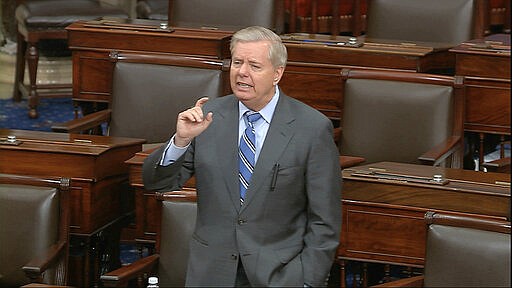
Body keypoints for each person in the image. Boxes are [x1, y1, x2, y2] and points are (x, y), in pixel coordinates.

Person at [143, 25, 341, 287]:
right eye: (237, 62)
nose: (242, 73)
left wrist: (307, 281)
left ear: (277, 73)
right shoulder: (208, 117)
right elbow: (158, 182)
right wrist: (181, 141)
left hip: (279, 275)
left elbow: (325, 219)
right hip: (212, 274)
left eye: (254, 66)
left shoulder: (311, 128)